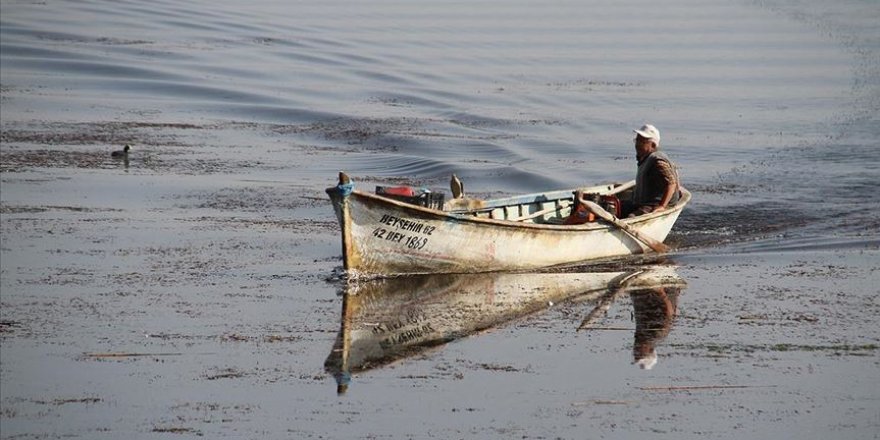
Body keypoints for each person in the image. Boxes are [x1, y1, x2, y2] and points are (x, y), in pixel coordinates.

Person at [624, 124, 680, 218]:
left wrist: (662, 206)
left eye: (642, 142)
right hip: (643, 202)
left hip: (653, 205)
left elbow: (672, 184)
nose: (637, 145)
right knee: (615, 206)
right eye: (637, 140)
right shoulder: (646, 158)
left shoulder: (658, 161)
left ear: (653, 145)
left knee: (631, 217)